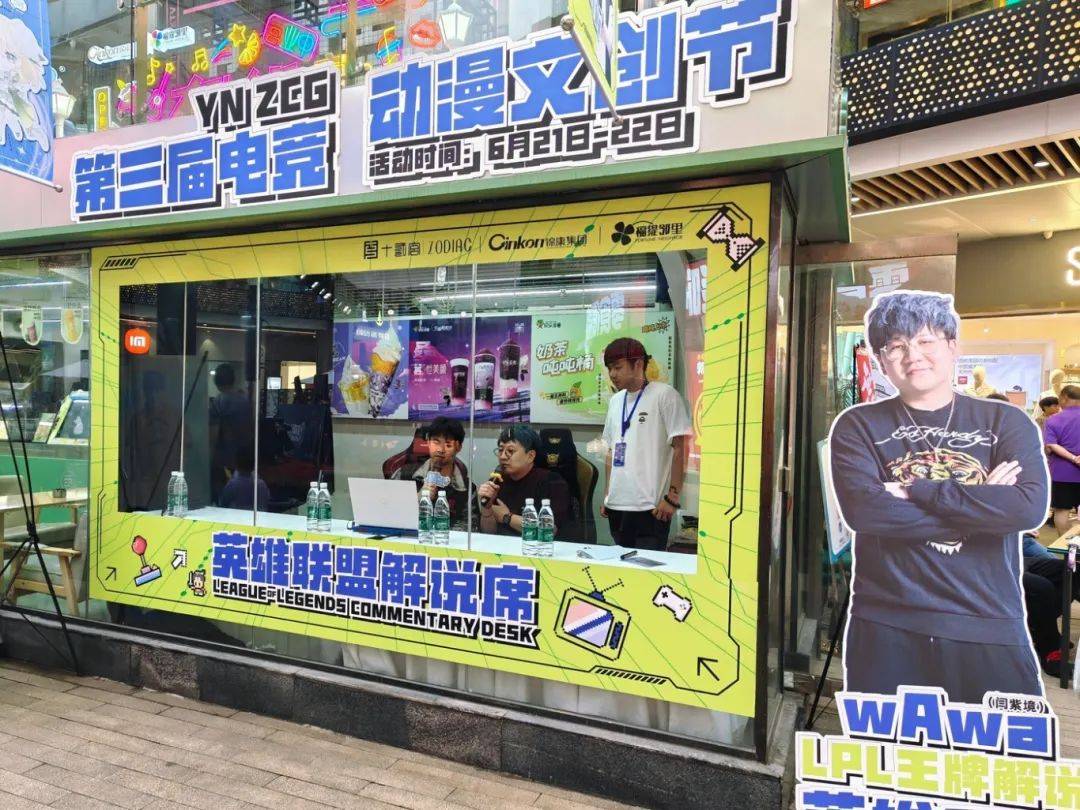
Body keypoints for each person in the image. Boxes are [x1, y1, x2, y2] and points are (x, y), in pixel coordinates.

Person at [829, 291, 1049, 703]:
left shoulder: (1004, 422)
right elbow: (867, 513)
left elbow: (1026, 508)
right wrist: (983, 503)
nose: (912, 355)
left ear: (952, 347)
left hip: (988, 623)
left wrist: (917, 490)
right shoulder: (858, 425)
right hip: (886, 626)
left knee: (997, 745)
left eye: (925, 340)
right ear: (882, 361)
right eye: (896, 346)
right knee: (884, 746)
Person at [599, 338, 691, 551]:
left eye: (617, 367)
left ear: (638, 364)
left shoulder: (665, 395)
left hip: (651, 506)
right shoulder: (615, 401)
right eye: (610, 368)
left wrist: (672, 497)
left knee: (648, 567)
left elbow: (681, 448)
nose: (612, 374)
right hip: (617, 505)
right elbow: (611, 450)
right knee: (619, 566)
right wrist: (607, 494)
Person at [478, 425, 575, 540]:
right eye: (500, 450)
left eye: (510, 451)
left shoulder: (552, 482)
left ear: (530, 456)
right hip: (503, 545)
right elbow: (488, 533)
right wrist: (487, 509)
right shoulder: (497, 480)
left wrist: (507, 517)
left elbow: (549, 530)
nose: (502, 457)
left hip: (539, 546)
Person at [392, 416, 474, 530]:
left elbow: (469, 529)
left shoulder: (467, 488)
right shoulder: (403, 475)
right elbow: (390, 514)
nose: (441, 450)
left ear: (458, 447)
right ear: (428, 443)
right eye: (436, 442)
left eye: (448, 444)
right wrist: (420, 499)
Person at [1044, 384, 1080, 537]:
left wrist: (1073, 458)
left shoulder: (1053, 420)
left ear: (1064, 398)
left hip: (1062, 473)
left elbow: (1050, 446)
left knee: (1061, 511)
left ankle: (1065, 546)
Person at [218, 445, 270, 511]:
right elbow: (264, 505)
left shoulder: (232, 484)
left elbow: (223, 504)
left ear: (236, 464)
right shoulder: (261, 485)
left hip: (236, 517)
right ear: (254, 465)